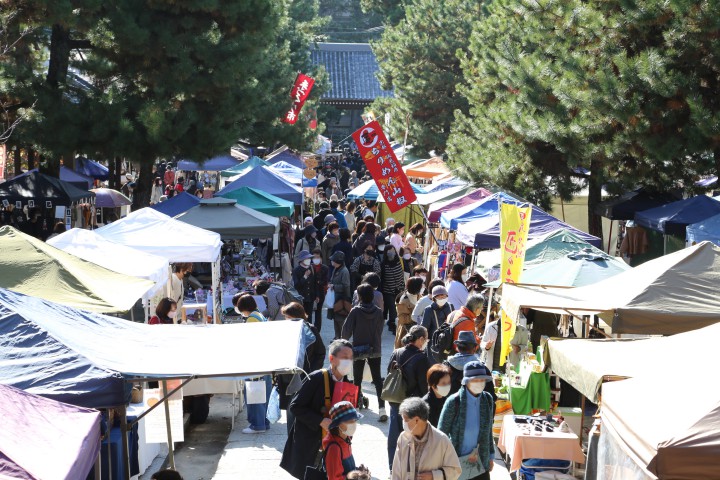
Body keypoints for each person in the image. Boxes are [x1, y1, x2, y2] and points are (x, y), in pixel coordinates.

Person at [280, 339, 354, 479]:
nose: (348, 361)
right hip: (311, 441)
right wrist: (320, 420)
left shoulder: (347, 383)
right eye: (345, 358)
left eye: (351, 358)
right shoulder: (316, 378)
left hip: (335, 444)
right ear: (332, 358)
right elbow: (295, 407)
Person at [438, 361, 495, 480]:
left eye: (482, 380)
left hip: (480, 462)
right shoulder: (454, 402)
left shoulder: (487, 399)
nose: (479, 383)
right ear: (466, 381)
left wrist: (490, 456)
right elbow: (441, 434)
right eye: (476, 380)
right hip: (457, 463)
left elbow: (488, 430)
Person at [386, 325, 432, 469]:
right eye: (426, 339)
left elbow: (389, 372)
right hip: (412, 404)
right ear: (420, 339)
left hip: (395, 398)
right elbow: (423, 385)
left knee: (394, 435)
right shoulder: (421, 358)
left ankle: (392, 468)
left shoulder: (397, 352)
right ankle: (408, 468)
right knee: (411, 437)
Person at [276, 302, 326, 433]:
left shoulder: (311, 329)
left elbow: (320, 353)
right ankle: (292, 444)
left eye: (287, 316)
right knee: (291, 410)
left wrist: (312, 372)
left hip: (306, 377)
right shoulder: (283, 331)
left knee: (303, 410)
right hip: (288, 378)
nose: (285, 319)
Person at [341, 284, 386, 421]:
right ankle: (382, 409)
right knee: (377, 380)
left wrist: (344, 343)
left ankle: (355, 408)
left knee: (357, 379)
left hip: (358, 349)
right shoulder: (378, 312)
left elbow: (346, 332)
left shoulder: (355, 311)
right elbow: (380, 330)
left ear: (359, 296)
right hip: (375, 348)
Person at [391, 397, 461, 480]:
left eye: (405, 420)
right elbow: (396, 471)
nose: (403, 423)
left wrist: (434, 476)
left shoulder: (441, 440)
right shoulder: (403, 438)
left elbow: (455, 470)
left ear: (417, 420)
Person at [442, 331, 496, 401]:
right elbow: (491, 397)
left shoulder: (445, 367)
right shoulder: (482, 369)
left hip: (451, 408)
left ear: (457, 348)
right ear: (475, 348)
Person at [323, 401, 364, 480]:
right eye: (349, 421)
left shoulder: (346, 439)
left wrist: (359, 472)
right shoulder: (334, 448)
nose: (353, 423)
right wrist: (355, 477)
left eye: (354, 420)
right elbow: (334, 478)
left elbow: (346, 469)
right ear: (338, 424)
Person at [421, 285, 453, 363]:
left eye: (444, 296)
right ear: (434, 298)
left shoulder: (450, 306)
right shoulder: (429, 309)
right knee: (434, 365)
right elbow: (424, 327)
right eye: (439, 297)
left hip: (449, 341)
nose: (442, 299)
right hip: (434, 342)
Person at [381, 245, 405, 335]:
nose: (392, 252)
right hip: (388, 291)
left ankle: (394, 324)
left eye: (393, 250)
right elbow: (384, 279)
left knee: (398, 308)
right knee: (392, 308)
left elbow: (401, 275)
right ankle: (392, 325)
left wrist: (401, 287)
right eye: (389, 250)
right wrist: (392, 289)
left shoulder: (398, 261)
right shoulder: (383, 264)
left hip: (399, 290)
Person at [395, 276, 424, 349]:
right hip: (406, 332)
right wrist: (416, 316)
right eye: (421, 286)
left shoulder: (419, 296)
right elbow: (402, 320)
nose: (423, 287)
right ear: (416, 287)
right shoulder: (403, 300)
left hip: (418, 331)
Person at [329, 251, 351, 338]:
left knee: (341, 319)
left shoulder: (344, 271)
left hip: (342, 299)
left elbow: (346, 286)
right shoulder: (336, 269)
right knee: (335, 319)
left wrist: (334, 286)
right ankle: (337, 336)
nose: (331, 261)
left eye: (333, 260)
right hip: (336, 298)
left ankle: (343, 338)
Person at [292, 250, 317, 320]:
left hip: (310, 297)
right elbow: (297, 285)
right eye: (307, 259)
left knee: (310, 317)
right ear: (302, 260)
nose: (309, 260)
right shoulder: (296, 270)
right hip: (301, 298)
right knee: (301, 317)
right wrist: (305, 276)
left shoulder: (312, 268)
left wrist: (316, 295)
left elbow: (314, 283)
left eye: (309, 258)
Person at [311, 247, 329, 332]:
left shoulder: (325, 268)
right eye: (314, 257)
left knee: (318, 313)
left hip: (321, 293)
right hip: (311, 293)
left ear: (321, 258)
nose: (316, 259)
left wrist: (318, 282)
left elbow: (325, 281)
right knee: (309, 312)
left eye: (318, 257)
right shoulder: (309, 268)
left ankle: (317, 330)